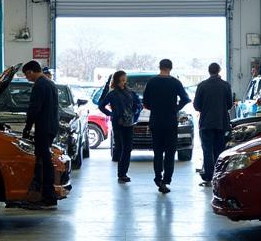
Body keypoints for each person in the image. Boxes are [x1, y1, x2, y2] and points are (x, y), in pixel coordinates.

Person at [143, 59, 190, 194]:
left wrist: (155, 107)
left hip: (156, 121)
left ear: (160, 67)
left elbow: (145, 102)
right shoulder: (175, 82)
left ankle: (158, 177)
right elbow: (186, 99)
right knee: (170, 152)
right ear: (171, 68)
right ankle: (166, 180)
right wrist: (175, 108)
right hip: (170, 121)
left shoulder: (152, 82)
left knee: (157, 152)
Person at [22, 60, 60, 209]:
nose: (27, 78)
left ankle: (48, 196)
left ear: (31, 71)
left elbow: (34, 108)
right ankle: (45, 194)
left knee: (44, 162)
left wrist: (27, 127)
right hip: (51, 126)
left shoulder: (39, 85)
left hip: (44, 127)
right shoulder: (50, 83)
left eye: (26, 75)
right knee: (45, 160)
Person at [193, 63, 235, 186]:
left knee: (207, 150)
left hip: (206, 122)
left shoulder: (202, 86)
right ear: (219, 71)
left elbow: (196, 105)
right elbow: (229, 104)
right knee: (220, 150)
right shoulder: (226, 85)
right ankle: (219, 176)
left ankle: (208, 178)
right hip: (222, 123)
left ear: (209, 71)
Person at [99, 70, 141, 183]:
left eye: (125, 80)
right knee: (121, 147)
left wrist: (134, 114)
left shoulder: (131, 93)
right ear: (117, 81)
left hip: (129, 123)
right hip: (118, 123)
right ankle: (121, 173)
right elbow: (101, 105)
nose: (124, 82)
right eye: (122, 80)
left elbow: (139, 105)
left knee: (127, 148)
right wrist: (111, 114)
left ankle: (123, 173)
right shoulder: (112, 94)